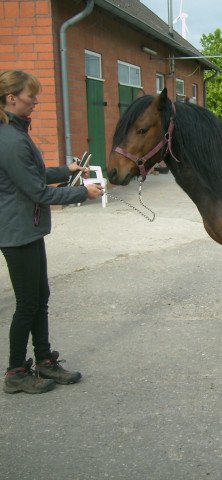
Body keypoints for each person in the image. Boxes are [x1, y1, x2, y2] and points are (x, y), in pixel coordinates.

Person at [0, 70, 104, 394]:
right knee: (28, 303)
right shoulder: (10, 139)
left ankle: (45, 361)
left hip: (27, 229)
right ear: (11, 98)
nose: (35, 101)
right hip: (16, 232)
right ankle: (16, 372)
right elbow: (38, 192)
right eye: (31, 96)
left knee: (40, 298)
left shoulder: (16, 133)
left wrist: (66, 170)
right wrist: (81, 193)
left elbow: (36, 174)